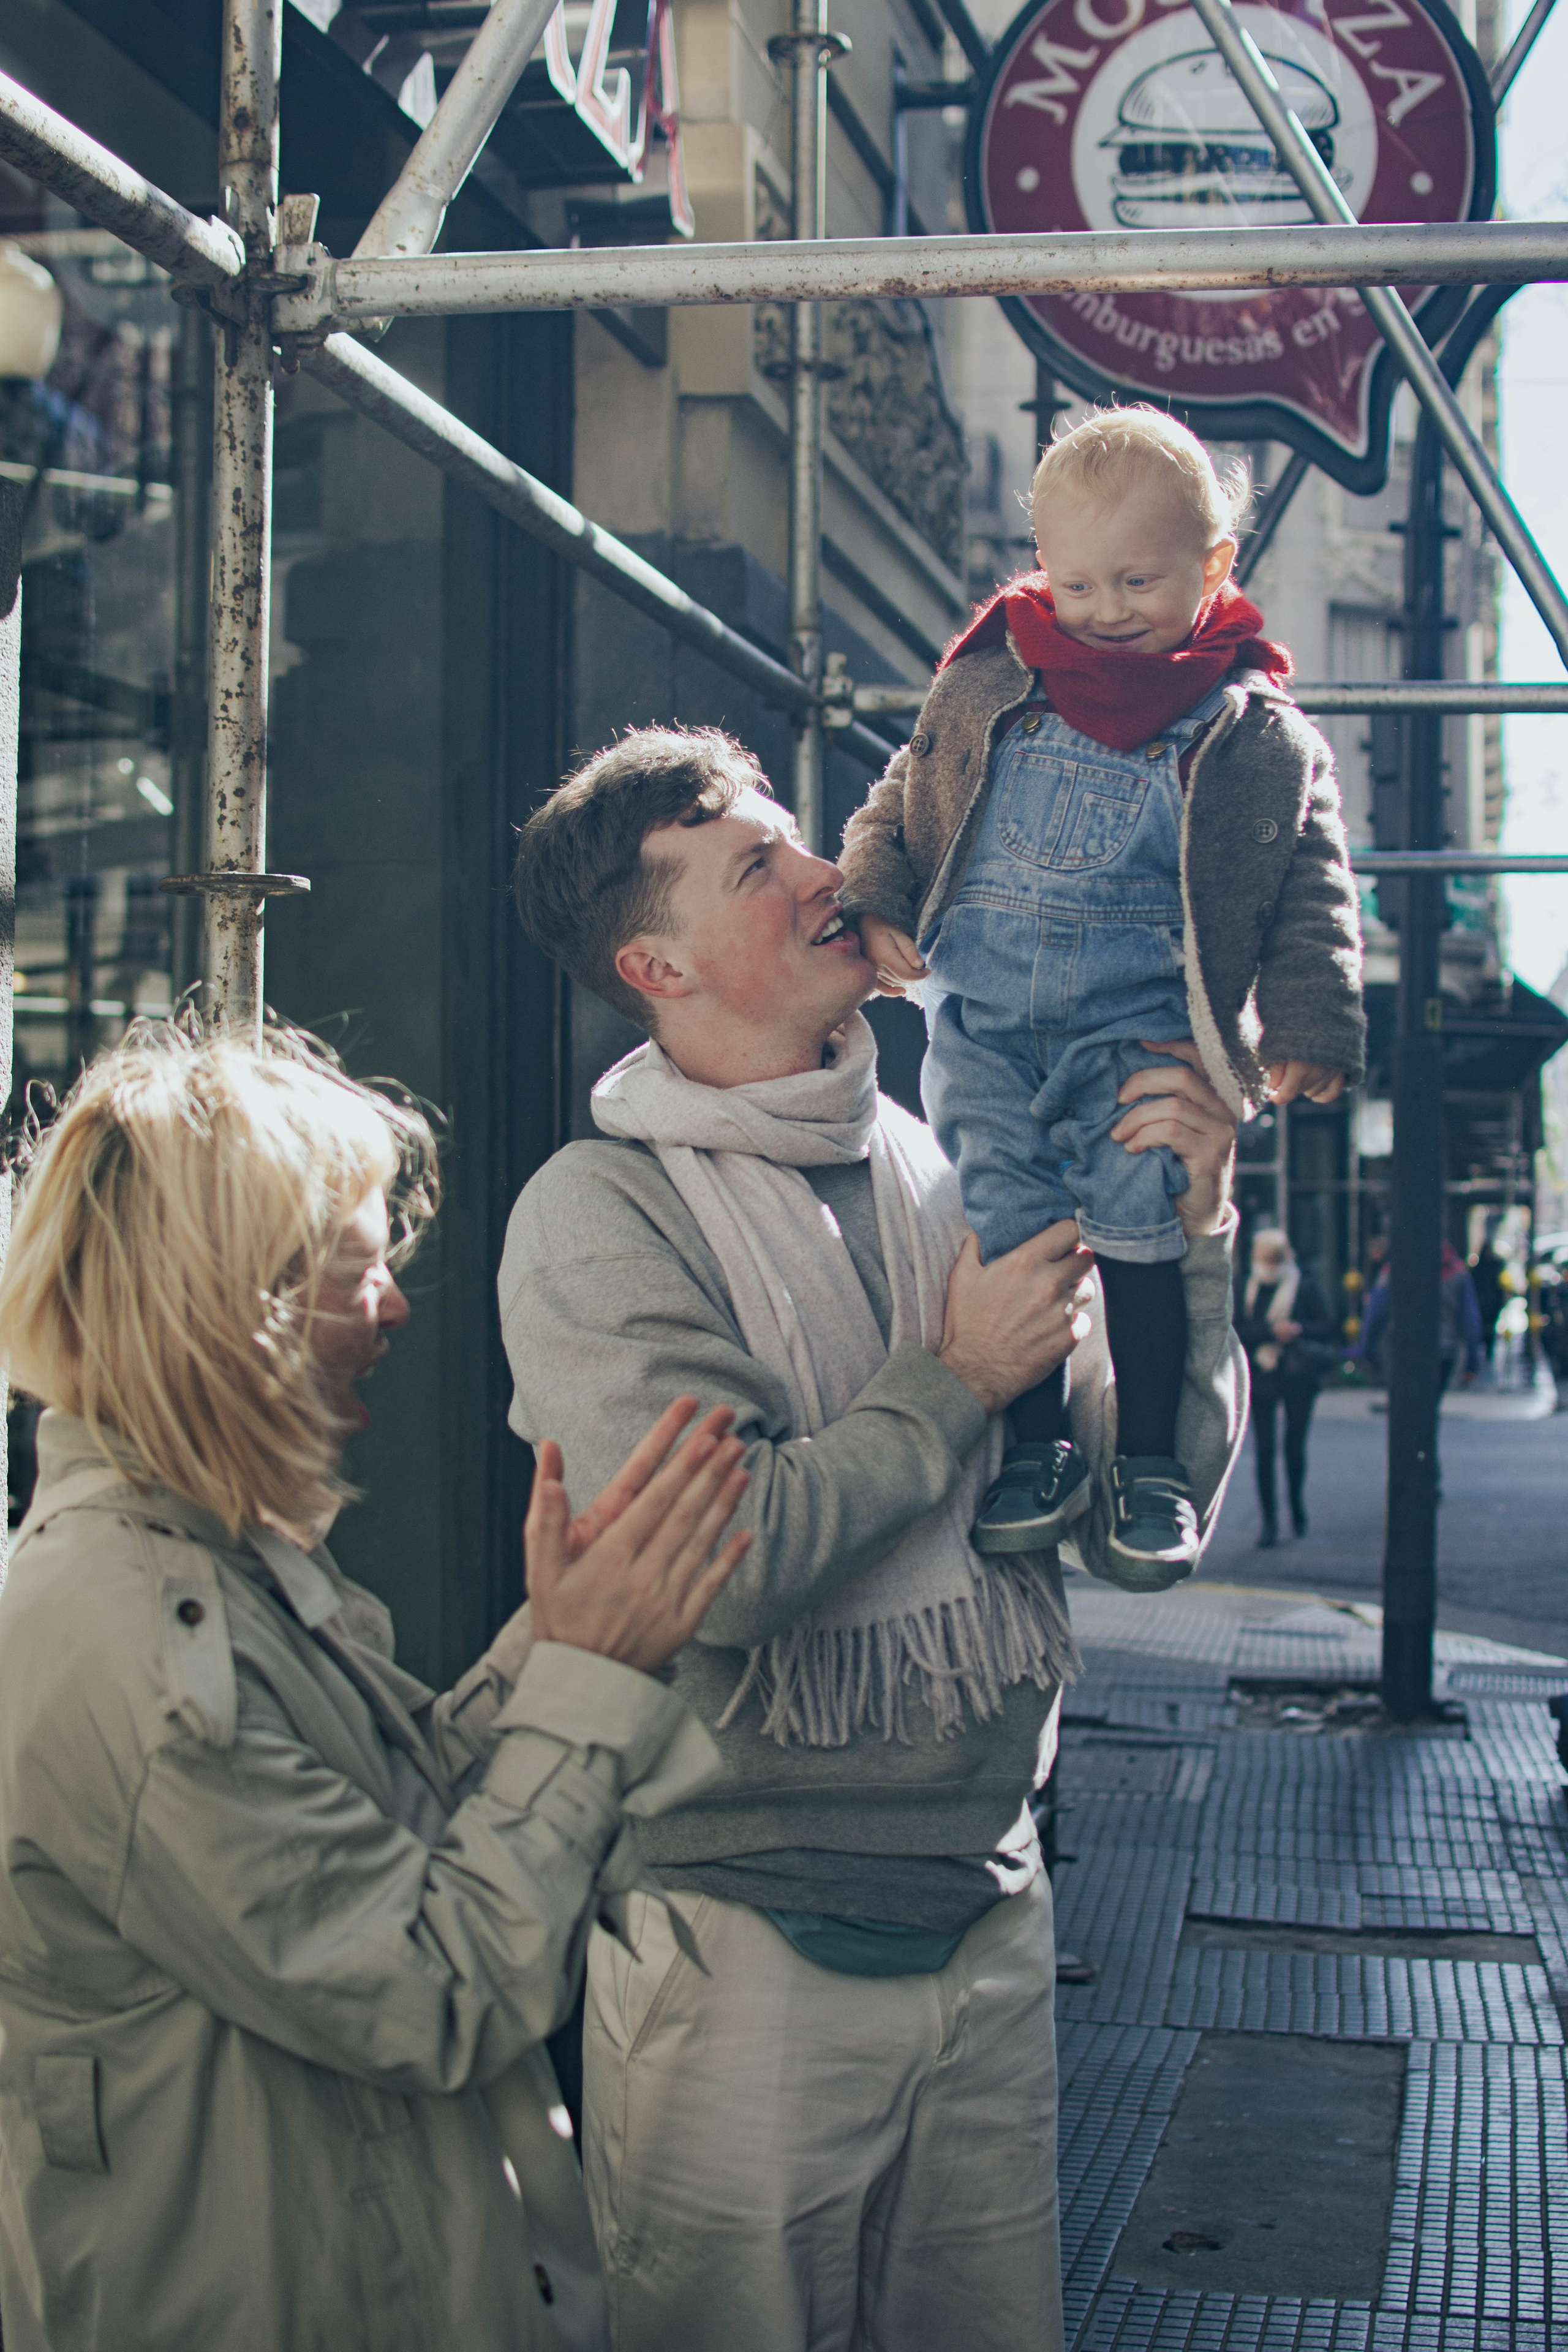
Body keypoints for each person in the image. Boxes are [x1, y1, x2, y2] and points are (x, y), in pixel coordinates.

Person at [502, 725, 1246, 2352]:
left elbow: (1144, 1520)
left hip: (992, 1908)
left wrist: (1184, 1237)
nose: (829, 872)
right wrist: (962, 1377)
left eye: (799, 842)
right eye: (757, 866)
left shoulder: (963, 1163)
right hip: (736, 1953)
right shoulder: (596, 1215)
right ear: (656, 963)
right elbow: (733, 1562)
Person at [0, 1022, 755, 2352]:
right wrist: (585, 1675)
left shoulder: (199, 1563)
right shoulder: (131, 1635)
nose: (396, 1305)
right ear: (228, 1304)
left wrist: (551, 1643)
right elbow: (437, 1986)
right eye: (356, 1269)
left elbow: (378, 1846)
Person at [840, 405, 1365, 1580]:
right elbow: (900, 795)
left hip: (1137, 1029)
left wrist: (1314, 1020)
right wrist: (877, 898)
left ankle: (1153, 1469)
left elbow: (1311, 884)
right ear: (1041, 569)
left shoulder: (1252, 728)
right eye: (1077, 583)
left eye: (1139, 579)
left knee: (1139, 1226)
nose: (1107, 608)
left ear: (1216, 568)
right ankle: (1036, 1449)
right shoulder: (991, 677)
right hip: (980, 1023)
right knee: (1011, 1231)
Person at [1236, 1226, 1337, 1547]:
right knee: (1264, 1451)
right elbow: (1235, 1329)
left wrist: (1298, 1329)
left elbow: (1327, 1326)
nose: (1270, 1264)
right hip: (1261, 1375)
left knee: (1295, 1448)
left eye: (1276, 1259)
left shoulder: (1303, 1285)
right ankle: (1269, 1521)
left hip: (1297, 1376)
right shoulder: (1245, 1285)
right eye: (1265, 1258)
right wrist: (1269, 1331)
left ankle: (1296, 1509)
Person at [1360, 1242, 1483, 1392]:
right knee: (1431, 1400)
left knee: (1406, 1399)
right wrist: (1472, 1362)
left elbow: (1375, 1313)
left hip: (1404, 1347)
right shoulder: (1458, 1273)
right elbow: (1470, 1321)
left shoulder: (1394, 1269)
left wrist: (1366, 1350)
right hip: (1445, 1348)